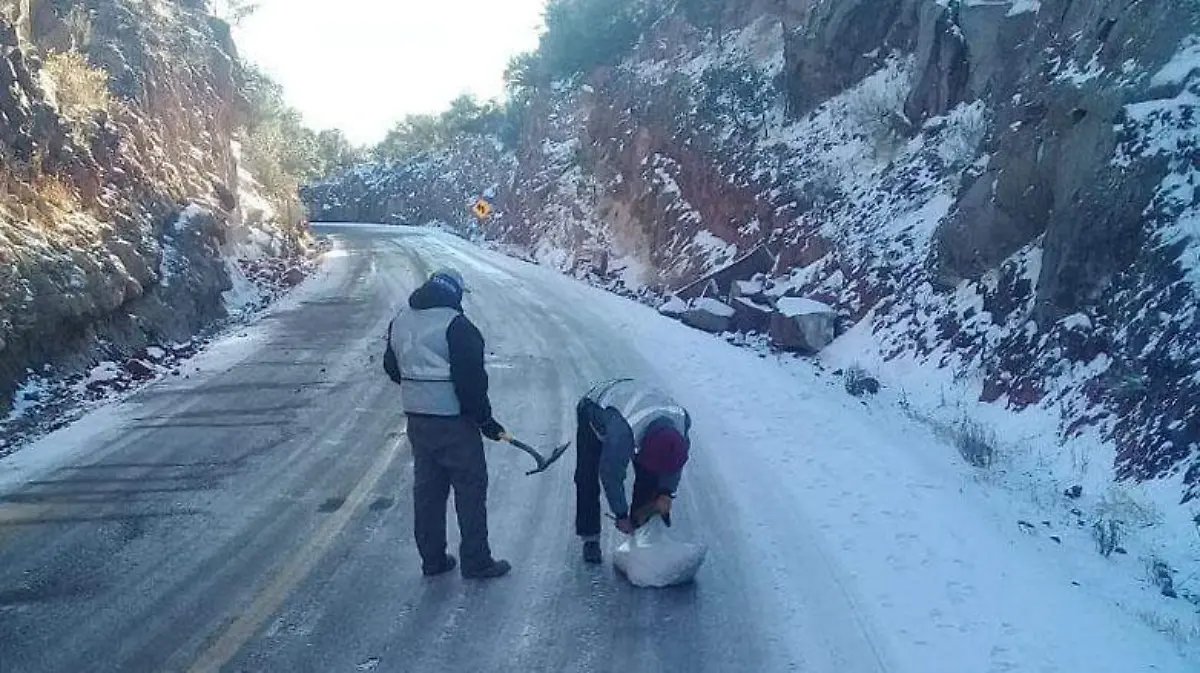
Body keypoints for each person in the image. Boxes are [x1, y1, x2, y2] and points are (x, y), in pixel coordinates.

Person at [384, 268, 511, 579]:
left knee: (428, 491)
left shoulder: (400, 320)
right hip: (454, 423)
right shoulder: (457, 326)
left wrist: (419, 390)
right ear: (455, 293)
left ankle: (433, 560)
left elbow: (392, 367)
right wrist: (485, 420)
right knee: (470, 489)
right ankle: (476, 561)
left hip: (417, 420)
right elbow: (471, 384)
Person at [574, 378, 691, 564]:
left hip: (637, 408)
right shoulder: (621, 435)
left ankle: (641, 534)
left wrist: (666, 492)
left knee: (649, 478)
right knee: (587, 476)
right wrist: (621, 514)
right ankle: (590, 538)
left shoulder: (682, 423)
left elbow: (674, 464)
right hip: (596, 407)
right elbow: (611, 474)